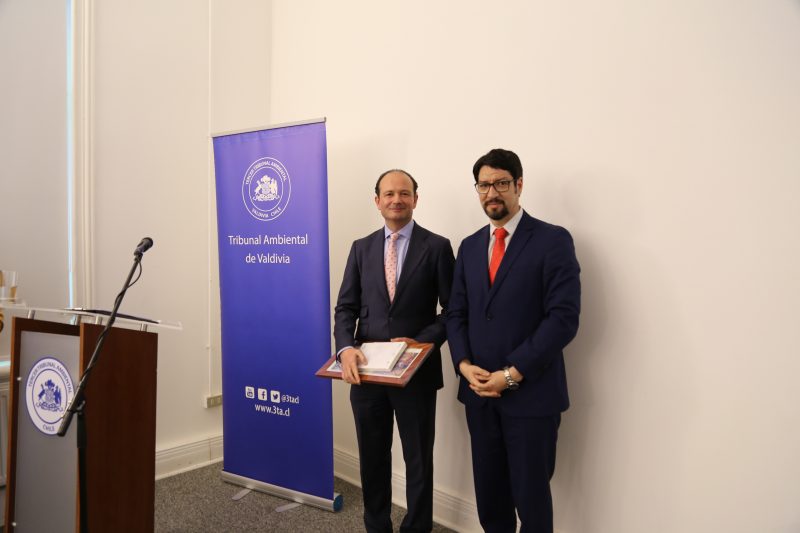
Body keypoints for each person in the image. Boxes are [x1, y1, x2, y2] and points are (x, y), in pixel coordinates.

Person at [446, 149, 581, 533]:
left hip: (531, 396)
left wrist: (511, 373)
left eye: (501, 183)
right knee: (491, 503)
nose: (492, 192)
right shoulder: (470, 246)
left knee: (532, 504)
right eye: (484, 185)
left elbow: (563, 319)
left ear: (519, 185)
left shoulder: (553, 240)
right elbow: (456, 313)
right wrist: (463, 364)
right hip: (478, 395)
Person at [334, 169, 455, 533]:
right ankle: (377, 526)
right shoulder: (361, 248)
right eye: (389, 194)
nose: (396, 199)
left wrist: (422, 342)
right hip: (368, 374)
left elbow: (453, 311)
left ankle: (417, 528)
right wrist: (345, 349)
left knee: (419, 460)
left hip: (416, 373)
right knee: (372, 458)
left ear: (416, 199)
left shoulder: (437, 247)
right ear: (377, 201)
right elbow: (345, 308)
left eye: (404, 193)